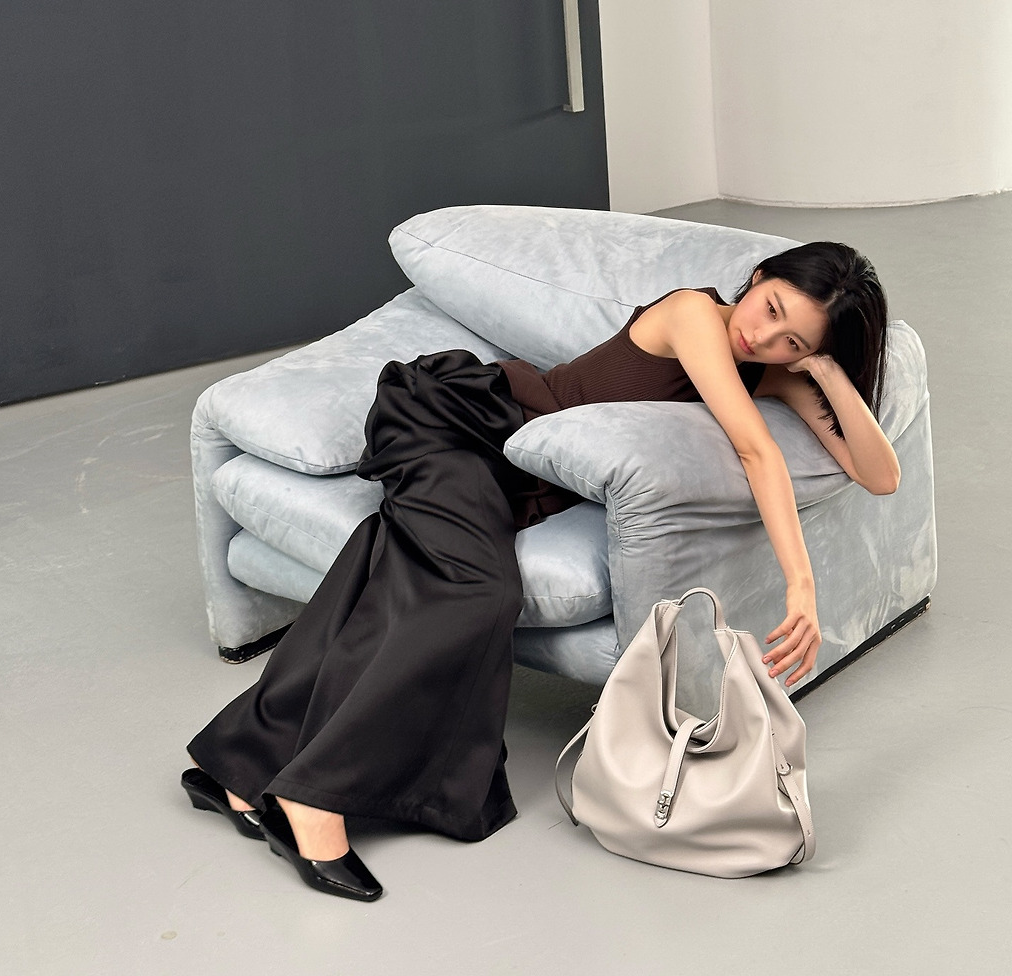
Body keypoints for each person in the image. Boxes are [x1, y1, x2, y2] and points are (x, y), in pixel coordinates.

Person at [181, 240, 900, 900]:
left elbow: (878, 473)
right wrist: (801, 584)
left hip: (509, 474)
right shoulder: (694, 315)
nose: (764, 338)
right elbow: (755, 451)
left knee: (391, 564)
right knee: (479, 590)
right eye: (770, 308)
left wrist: (826, 370)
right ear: (757, 278)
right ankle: (314, 795)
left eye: (792, 340)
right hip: (464, 422)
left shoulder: (771, 370)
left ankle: (237, 765)